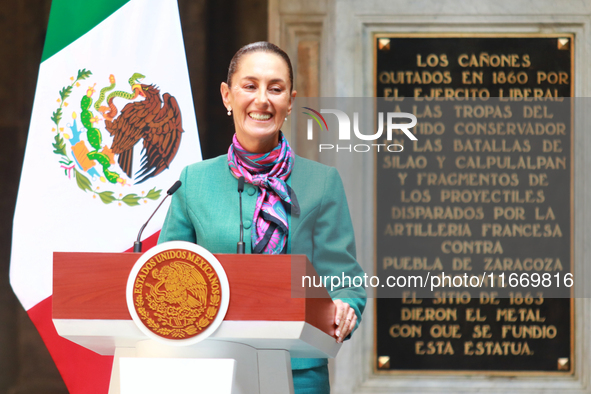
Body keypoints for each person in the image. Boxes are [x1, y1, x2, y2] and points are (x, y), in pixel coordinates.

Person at [158, 41, 366, 394]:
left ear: (290, 101)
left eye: (276, 88)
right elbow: (166, 271)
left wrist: (345, 304)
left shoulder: (322, 182)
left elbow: (343, 277)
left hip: (298, 372)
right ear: (227, 96)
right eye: (250, 86)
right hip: (209, 369)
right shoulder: (193, 181)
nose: (262, 100)